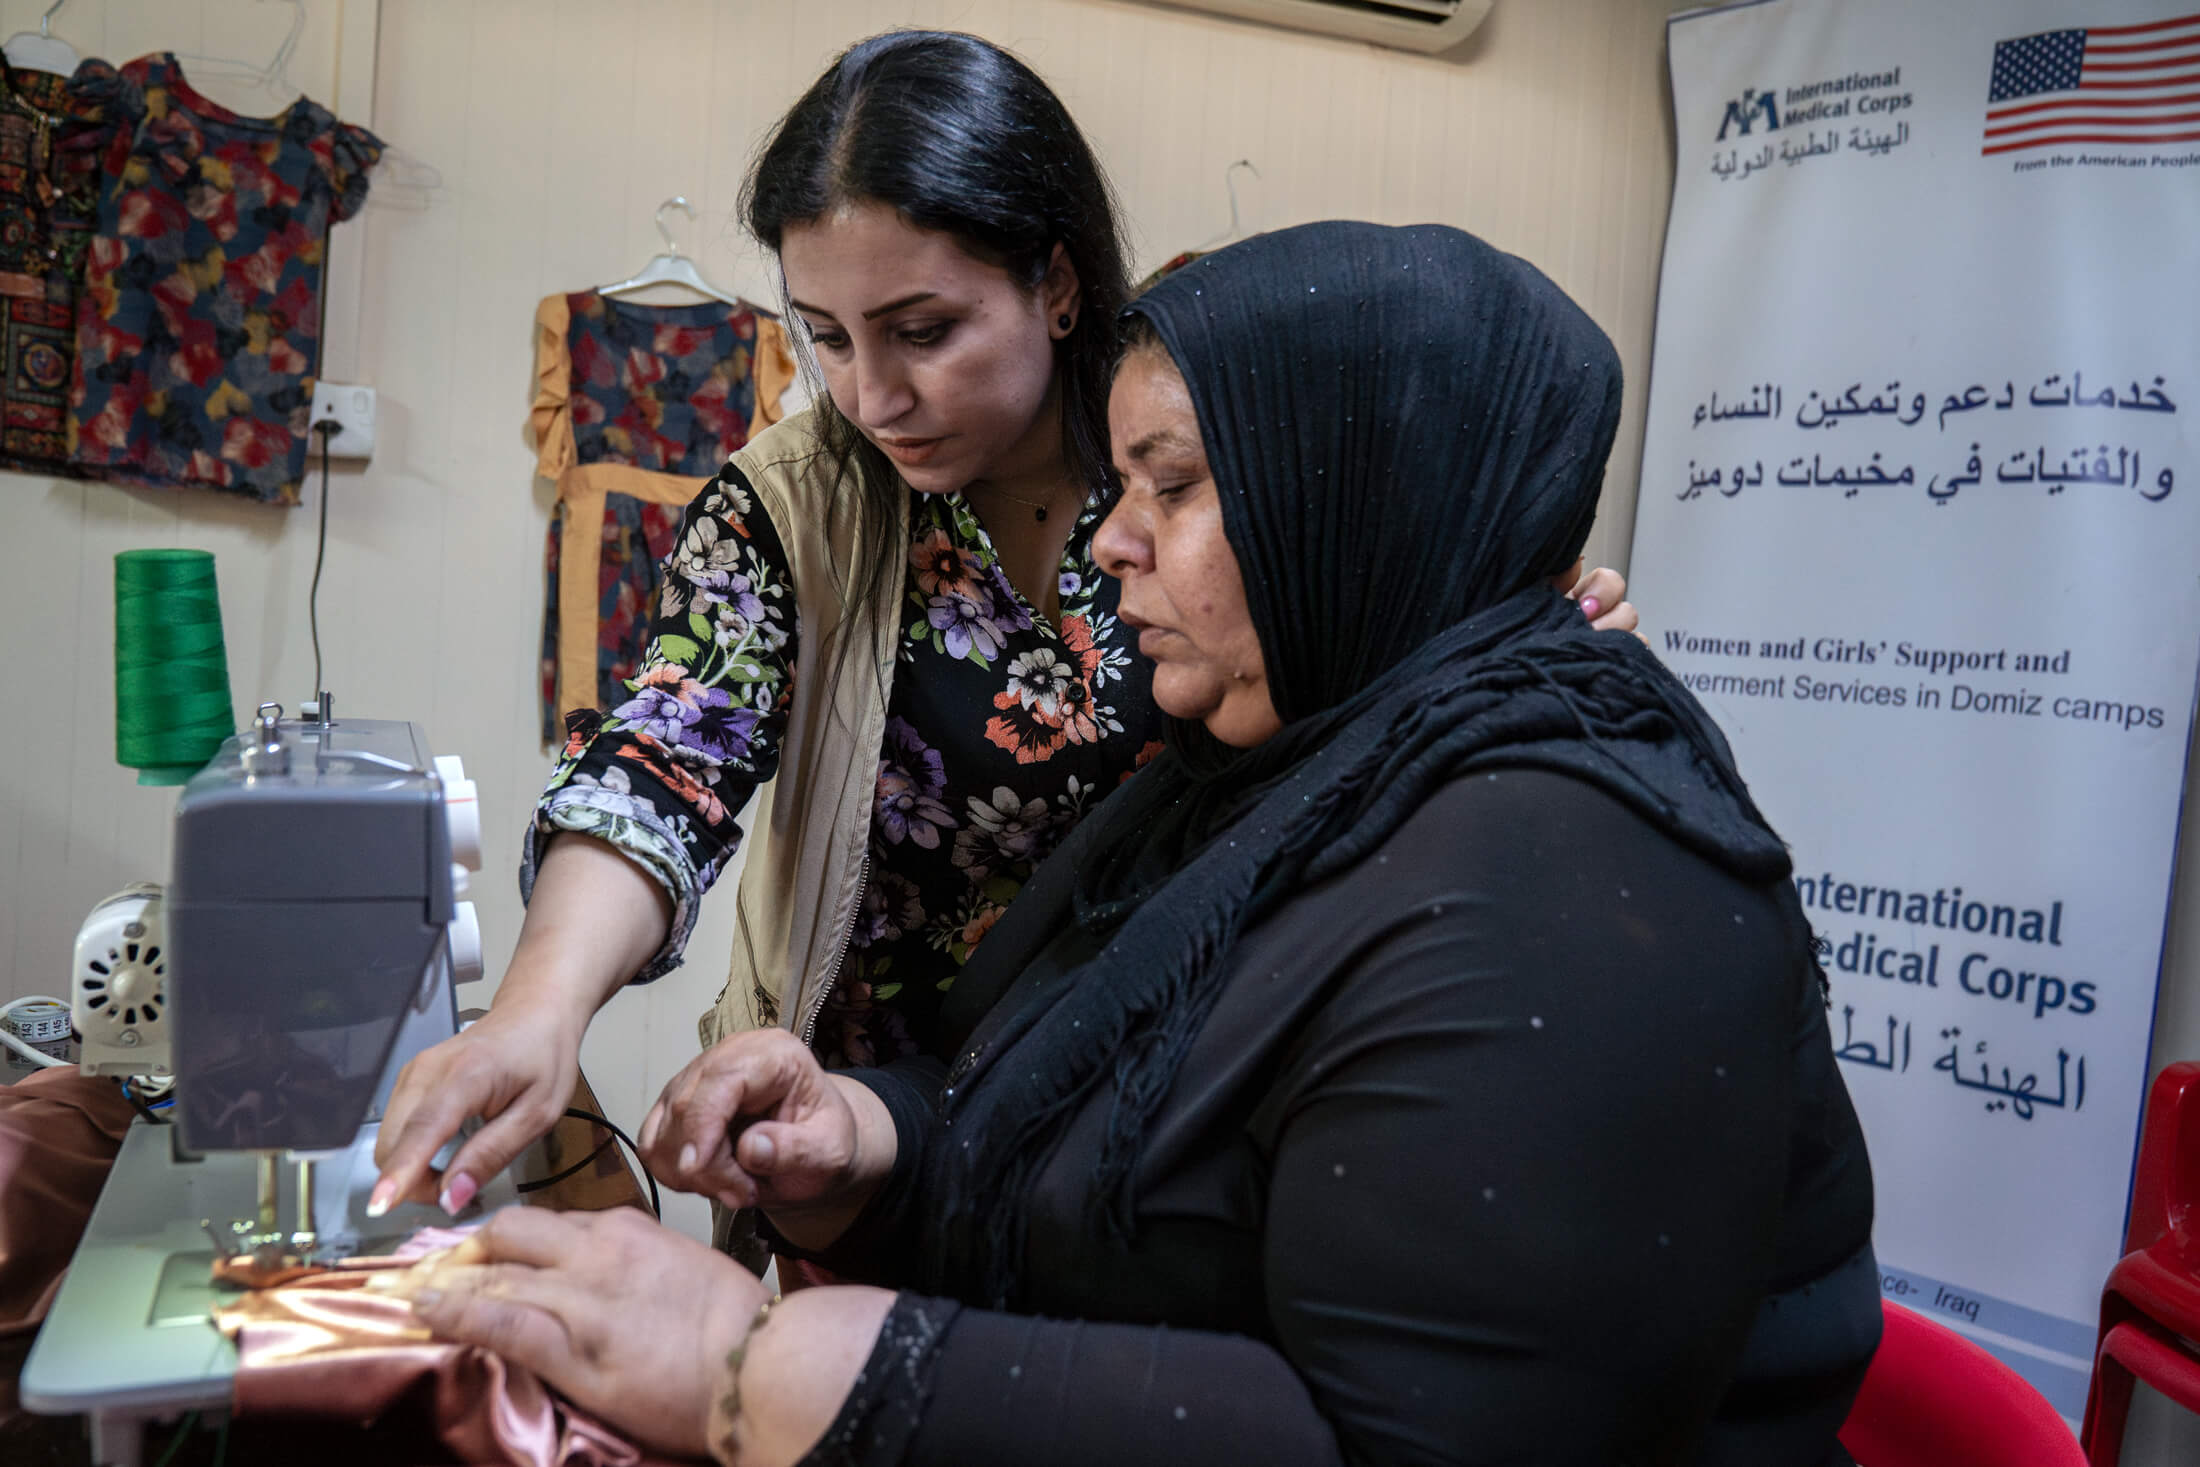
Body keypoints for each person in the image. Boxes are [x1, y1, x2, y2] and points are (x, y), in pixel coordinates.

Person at [384, 221, 1880, 1467]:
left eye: (1171, 487)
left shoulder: (1569, 889)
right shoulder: (1273, 770)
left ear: (1354, 509)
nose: (1112, 542)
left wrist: (748, 1357)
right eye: (1121, 485)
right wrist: (864, 1133)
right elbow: (1101, 1105)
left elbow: (1406, 1437)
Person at [370, 31, 1635, 1224]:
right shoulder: (795, 505)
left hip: (1160, 1117)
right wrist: (536, 1015)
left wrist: (1512, 611)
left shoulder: (1218, 456)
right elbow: (664, 759)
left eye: (925, 332)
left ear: (1060, 281)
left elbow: (1381, 597)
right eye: (826, 341)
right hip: (852, 1139)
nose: (875, 395)